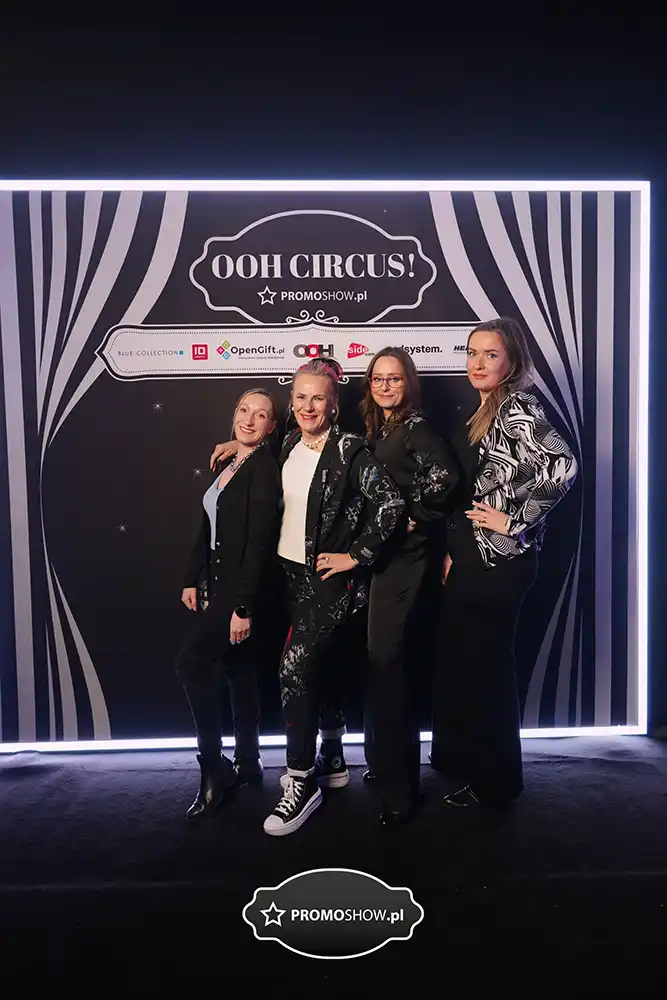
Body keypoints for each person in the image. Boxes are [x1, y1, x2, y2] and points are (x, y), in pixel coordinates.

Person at [210, 357, 406, 836]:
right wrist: (239, 444)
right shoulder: (288, 442)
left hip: (329, 582)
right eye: (300, 397)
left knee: (295, 670)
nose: (308, 406)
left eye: (318, 398)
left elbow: (392, 505)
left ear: (333, 404)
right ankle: (333, 754)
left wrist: (354, 556)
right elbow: (266, 464)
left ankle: (300, 780)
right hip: (287, 577)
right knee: (324, 665)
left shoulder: (350, 450)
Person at [431, 317, 578, 809]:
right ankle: (471, 766)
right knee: (470, 668)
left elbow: (563, 466)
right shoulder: (486, 409)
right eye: (472, 352)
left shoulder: (517, 406)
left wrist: (514, 520)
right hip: (472, 561)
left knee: (489, 673)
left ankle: (495, 785)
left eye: (490, 354)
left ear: (511, 360)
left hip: (500, 565)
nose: (477, 362)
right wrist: (455, 550)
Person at [358, 347, 458, 824]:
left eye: (394, 379)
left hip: (406, 561)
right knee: (379, 665)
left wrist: (412, 515)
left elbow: (446, 476)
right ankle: (383, 766)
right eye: (378, 378)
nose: (384, 386)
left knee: (389, 665)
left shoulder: (415, 427)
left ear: (409, 384)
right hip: (384, 562)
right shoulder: (383, 429)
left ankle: (401, 792)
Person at [175, 389, 282, 821]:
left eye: (261, 415)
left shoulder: (264, 469)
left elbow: (259, 543)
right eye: (243, 410)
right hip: (220, 586)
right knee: (239, 668)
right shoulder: (230, 462)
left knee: (191, 664)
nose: (249, 420)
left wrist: (243, 607)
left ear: (272, 427)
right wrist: (191, 576)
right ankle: (248, 760)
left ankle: (213, 768)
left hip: (242, 591)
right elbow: (209, 524)